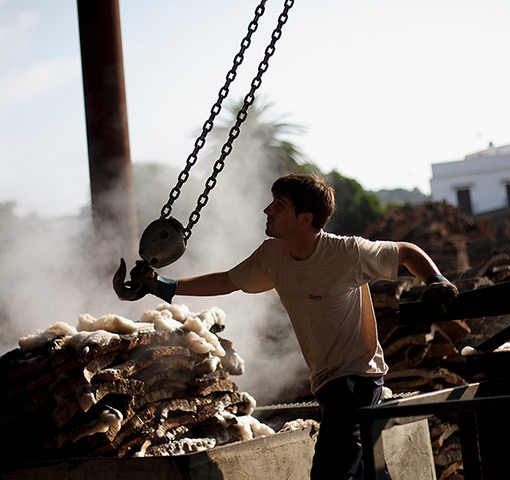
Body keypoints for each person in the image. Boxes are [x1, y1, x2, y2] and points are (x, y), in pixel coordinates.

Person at [115, 173, 458, 480]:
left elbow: (406, 252)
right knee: (363, 470)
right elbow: (227, 280)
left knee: (331, 474)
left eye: (279, 206)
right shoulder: (272, 257)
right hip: (328, 385)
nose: (268, 210)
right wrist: (162, 286)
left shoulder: (346, 253)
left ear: (304, 218)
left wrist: (436, 281)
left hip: (356, 381)